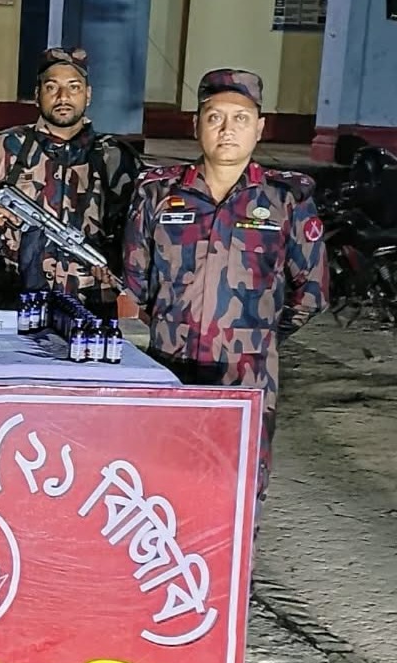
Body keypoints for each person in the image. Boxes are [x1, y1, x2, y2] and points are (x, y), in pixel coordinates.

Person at [123, 68, 329, 525]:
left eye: (241, 118)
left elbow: (312, 292)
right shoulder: (158, 193)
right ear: (196, 124)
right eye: (215, 117)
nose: (227, 129)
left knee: (238, 487)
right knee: (160, 484)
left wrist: (257, 337)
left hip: (246, 377)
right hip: (169, 369)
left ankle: (234, 573)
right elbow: (135, 283)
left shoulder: (286, 199)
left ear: (260, 127)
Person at [0, 47, 140, 311]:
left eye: (74, 87)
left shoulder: (117, 158)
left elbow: (139, 233)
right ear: (36, 95)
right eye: (52, 87)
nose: (63, 97)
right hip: (9, 298)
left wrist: (118, 265)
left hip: (88, 303)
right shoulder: (2, 149)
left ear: (88, 95)